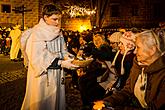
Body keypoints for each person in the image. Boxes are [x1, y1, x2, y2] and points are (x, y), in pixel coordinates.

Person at [21, 4, 78, 110]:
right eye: (54, 19)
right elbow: (37, 58)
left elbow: (63, 50)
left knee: (56, 102)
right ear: (45, 17)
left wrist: (69, 59)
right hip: (43, 76)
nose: (58, 23)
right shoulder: (36, 34)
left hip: (57, 75)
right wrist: (61, 63)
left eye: (59, 19)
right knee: (43, 103)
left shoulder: (58, 32)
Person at [93, 30, 165, 110]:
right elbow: (128, 90)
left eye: (138, 47)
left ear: (152, 50)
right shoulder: (138, 64)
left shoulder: (162, 74)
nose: (134, 51)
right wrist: (108, 102)